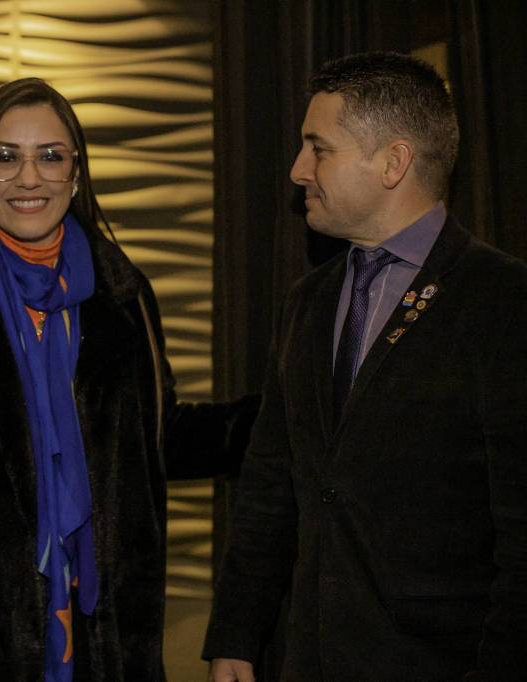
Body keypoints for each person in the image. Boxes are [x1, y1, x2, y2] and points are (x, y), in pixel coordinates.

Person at [0, 77, 256, 682]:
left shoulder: (123, 294)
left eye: (50, 156)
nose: (29, 178)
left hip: (110, 636)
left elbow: (154, 437)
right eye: (5, 157)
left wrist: (278, 418)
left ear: (76, 174)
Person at [204, 52, 527, 681]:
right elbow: (271, 487)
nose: (298, 170)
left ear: (393, 162)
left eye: (319, 148)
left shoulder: (503, 301)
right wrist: (236, 636)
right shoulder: (307, 301)